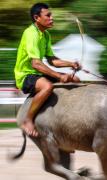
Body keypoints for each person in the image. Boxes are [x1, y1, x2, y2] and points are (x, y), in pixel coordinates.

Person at [14, 3, 80, 137]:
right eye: (48, 15)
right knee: (47, 86)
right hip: (25, 75)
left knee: (75, 79)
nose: (52, 18)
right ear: (37, 18)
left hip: (38, 73)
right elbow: (36, 64)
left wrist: (71, 64)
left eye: (51, 15)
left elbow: (52, 60)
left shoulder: (46, 35)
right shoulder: (30, 34)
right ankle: (28, 119)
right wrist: (59, 76)